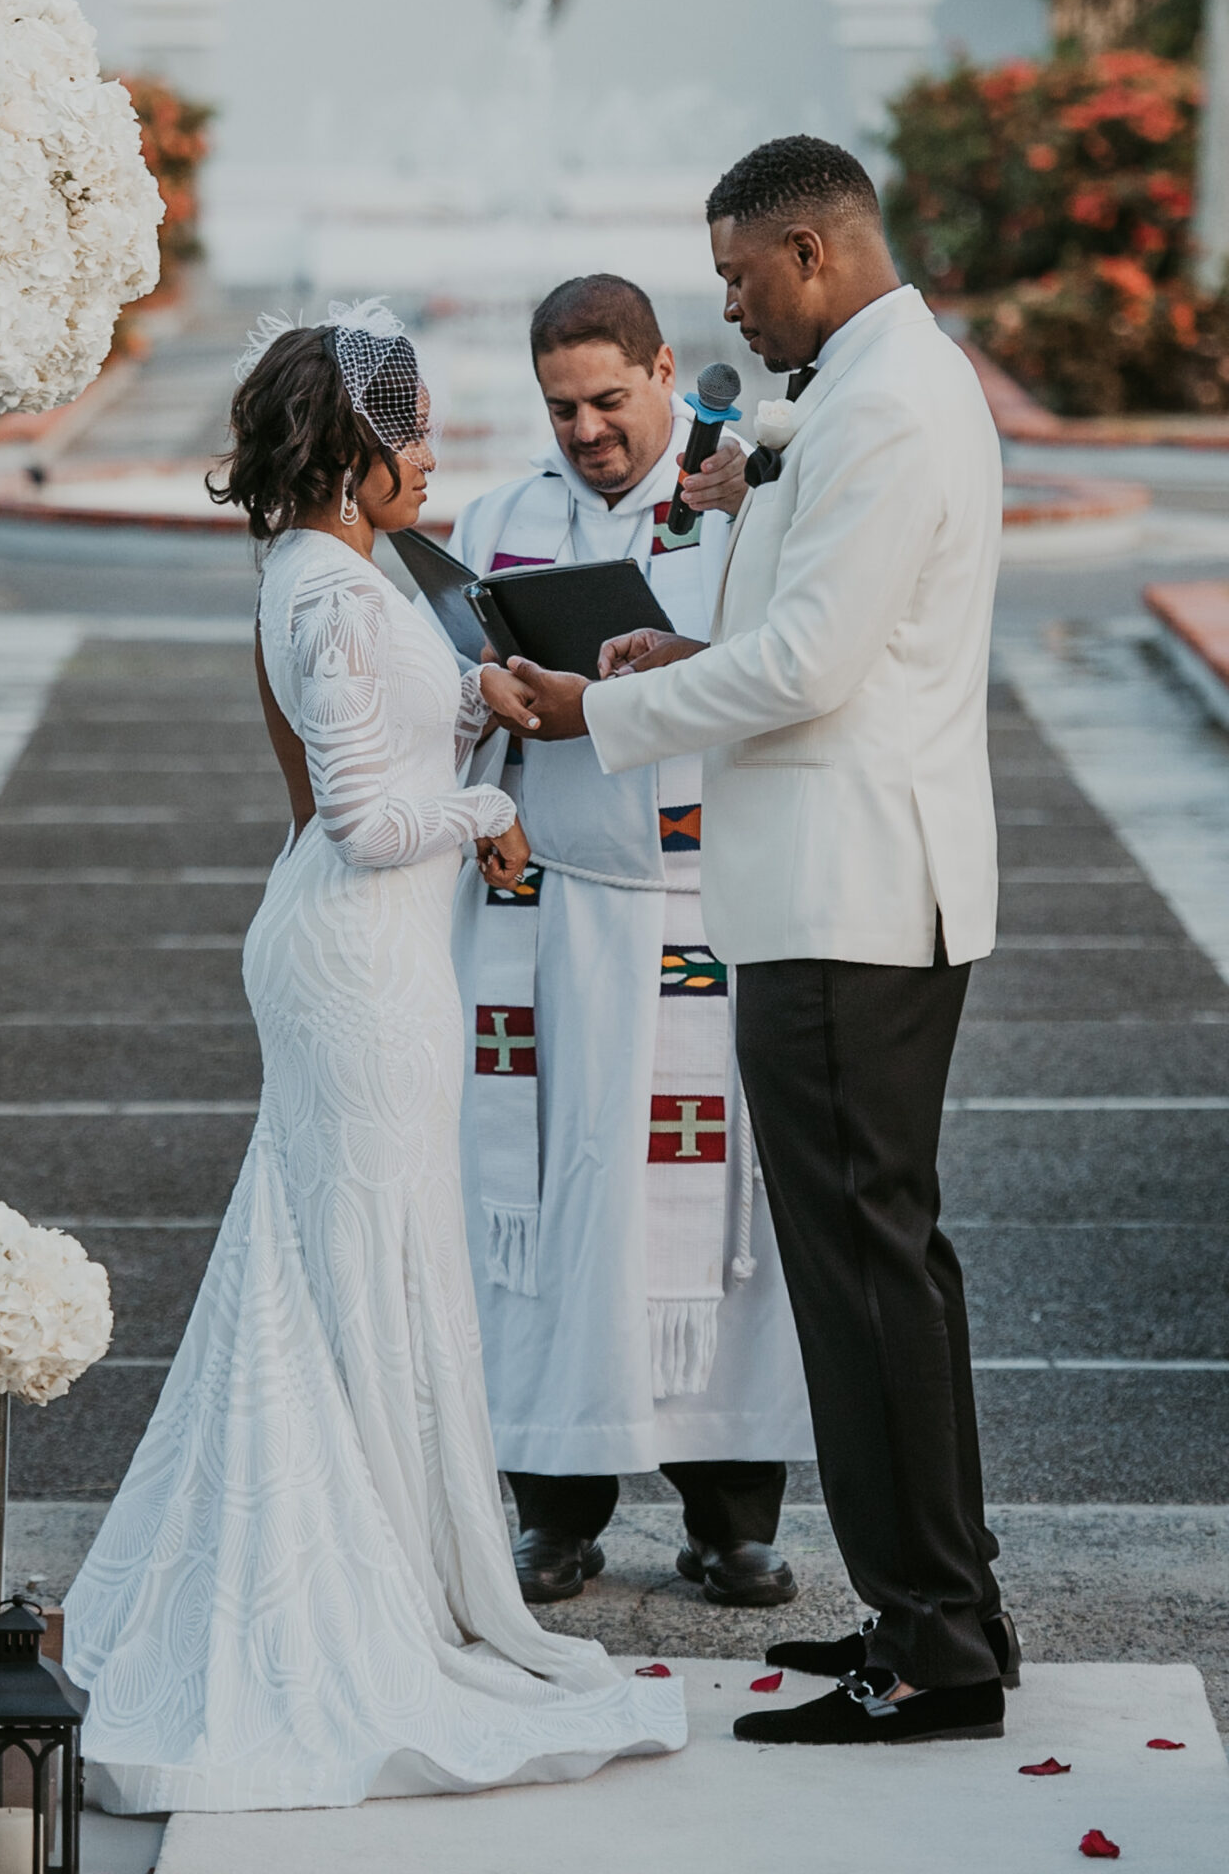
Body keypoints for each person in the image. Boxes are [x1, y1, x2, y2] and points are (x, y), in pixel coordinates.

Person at [63, 300, 684, 1812]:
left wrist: (476, 715)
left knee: (360, 1251)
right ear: (357, 455)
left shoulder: (329, 572)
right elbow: (365, 822)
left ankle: (386, 1563)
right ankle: (346, 1592)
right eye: (411, 435)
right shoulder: (336, 600)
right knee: (354, 1254)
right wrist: (489, 808)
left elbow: (388, 768)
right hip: (355, 955)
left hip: (383, 953)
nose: (430, 459)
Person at [491, 138, 1019, 1748]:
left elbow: (813, 668)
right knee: (883, 1269)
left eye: (735, 281)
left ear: (808, 249)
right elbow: (807, 640)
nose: (730, 312)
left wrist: (613, 702)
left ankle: (933, 1651)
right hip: (842, 888)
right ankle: (941, 1606)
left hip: (851, 897)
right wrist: (685, 644)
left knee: (865, 1279)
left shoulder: (881, 402)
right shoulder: (869, 386)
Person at [440, 274, 812, 1609]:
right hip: (552, 921)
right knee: (553, 1208)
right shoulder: (498, 521)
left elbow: (783, 676)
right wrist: (480, 723)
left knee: (719, 1218)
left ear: (665, 369)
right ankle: (554, 1506)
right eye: (561, 408)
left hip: (701, 908)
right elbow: (455, 704)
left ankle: (729, 1517)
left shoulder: (742, 512)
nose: (587, 430)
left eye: (608, 398)